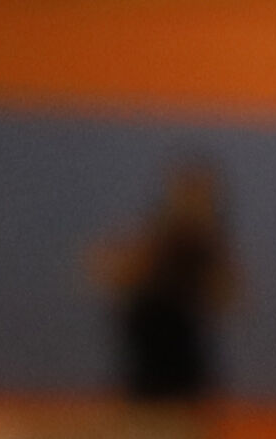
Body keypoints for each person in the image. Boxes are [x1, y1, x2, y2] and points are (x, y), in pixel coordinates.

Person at [100, 158, 238, 408]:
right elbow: (113, 272)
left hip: (180, 345)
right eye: (189, 193)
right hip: (155, 339)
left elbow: (226, 292)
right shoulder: (157, 238)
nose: (196, 202)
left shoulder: (205, 244)